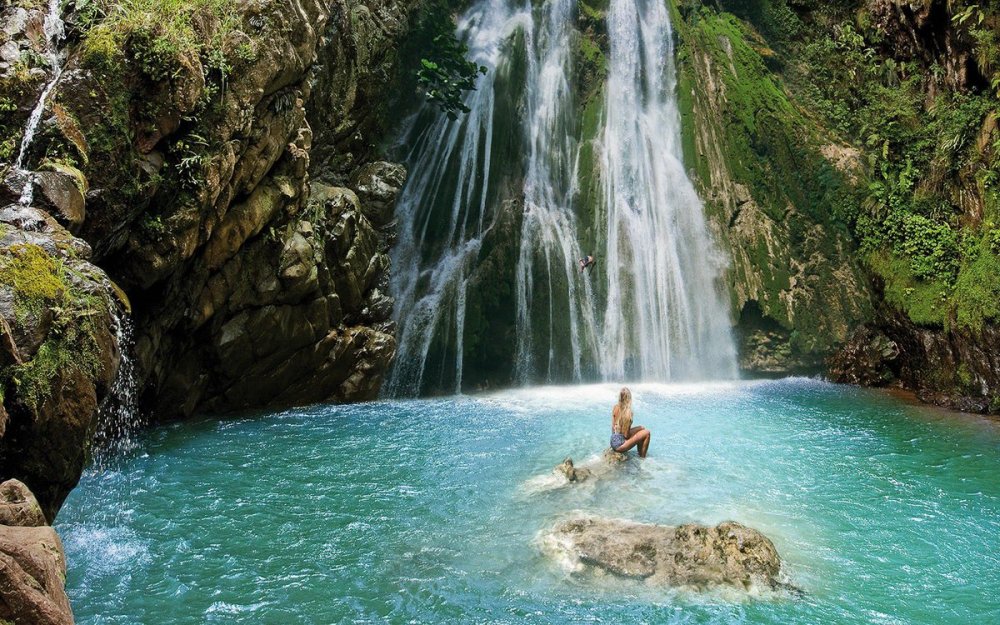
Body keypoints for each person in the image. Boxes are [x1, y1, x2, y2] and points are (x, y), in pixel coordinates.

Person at [610, 387, 650, 457]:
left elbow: (613, 428)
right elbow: (626, 435)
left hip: (613, 441)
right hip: (620, 445)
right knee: (647, 433)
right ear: (629, 399)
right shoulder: (628, 413)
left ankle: (640, 452)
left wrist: (639, 429)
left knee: (642, 428)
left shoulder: (615, 407)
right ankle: (642, 458)